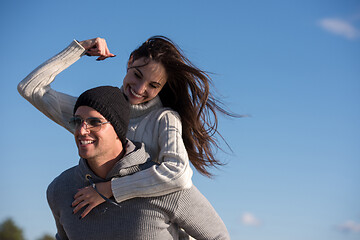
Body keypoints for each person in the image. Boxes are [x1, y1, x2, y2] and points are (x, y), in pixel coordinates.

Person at [18, 36, 236, 218]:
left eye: (153, 85)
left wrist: (109, 189)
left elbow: (178, 173)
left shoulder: (164, 119)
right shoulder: (95, 117)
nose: (140, 89)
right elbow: (30, 88)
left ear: (163, 87)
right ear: (130, 61)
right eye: (137, 75)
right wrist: (79, 50)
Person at [47, 85, 230, 240]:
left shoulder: (164, 185)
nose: (82, 130)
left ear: (118, 129)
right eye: (77, 122)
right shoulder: (60, 189)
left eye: (94, 122)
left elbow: (218, 237)